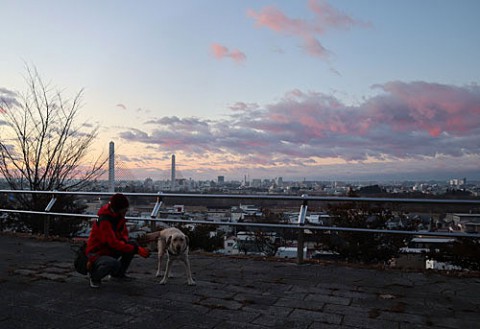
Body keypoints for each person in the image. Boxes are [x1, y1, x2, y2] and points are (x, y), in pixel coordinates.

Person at [85, 193, 150, 288]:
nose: (126, 212)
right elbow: (112, 243)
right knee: (113, 263)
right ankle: (94, 276)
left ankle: (118, 275)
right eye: (124, 210)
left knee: (132, 244)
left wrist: (126, 243)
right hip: (96, 252)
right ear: (118, 209)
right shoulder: (105, 221)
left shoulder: (118, 217)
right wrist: (135, 249)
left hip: (108, 249)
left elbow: (124, 234)